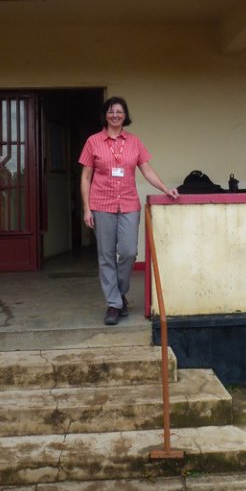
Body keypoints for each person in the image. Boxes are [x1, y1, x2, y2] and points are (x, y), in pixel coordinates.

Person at [79, 96, 179, 325]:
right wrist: (86, 208)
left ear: (125, 116)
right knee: (105, 256)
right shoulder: (93, 141)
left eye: (119, 112)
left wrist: (166, 189)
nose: (115, 115)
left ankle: (120, 292)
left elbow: (147, 170)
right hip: (101, 204)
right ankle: (113, 304)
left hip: (128, 205)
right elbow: (85, 177)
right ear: (105, 115)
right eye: (111, 111)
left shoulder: (134, 142)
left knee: (128, 252)